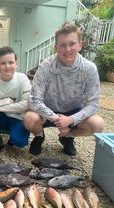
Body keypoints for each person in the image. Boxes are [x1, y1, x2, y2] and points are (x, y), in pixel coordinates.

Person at [25, 22, 105, 156]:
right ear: (56, 47)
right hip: (47, 111)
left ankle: (67, 137)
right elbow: (34, 100)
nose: (67, 49)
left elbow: (93, 105)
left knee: (98, 125)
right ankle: (39, 136)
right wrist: (56, 118)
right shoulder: (46, 66)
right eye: (62, 45)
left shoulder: (89, 68)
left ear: (80, 44)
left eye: (72, 44)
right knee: (29, 118)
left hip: (73, 111)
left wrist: (70, 120)